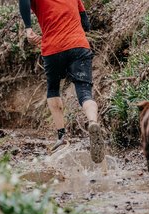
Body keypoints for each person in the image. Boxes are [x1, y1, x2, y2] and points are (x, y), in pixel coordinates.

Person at [19, 0, 105, 163]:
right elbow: (85, 23)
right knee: (85, 92)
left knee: (53, 88)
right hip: (78, 45)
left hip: (53, 48)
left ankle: (61, 136)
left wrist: (29, 29)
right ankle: (93, 122)